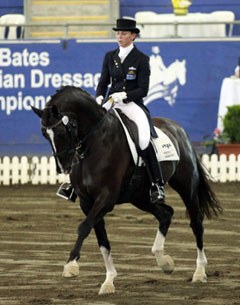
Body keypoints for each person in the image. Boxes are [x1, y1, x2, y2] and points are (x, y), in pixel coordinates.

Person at [57, 18, 165, 204]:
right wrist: (99, 97)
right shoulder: (110, 56)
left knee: (143, 138)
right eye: (117, 33)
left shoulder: (141, 59)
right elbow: (103, 83)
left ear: (133, 36)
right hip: (110, 102)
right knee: (86, 134)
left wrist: (124, 95)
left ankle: (157, 184)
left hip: (132, 105)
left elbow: (143, 89)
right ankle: (73, 183)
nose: (119, 37)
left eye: (123, 34)